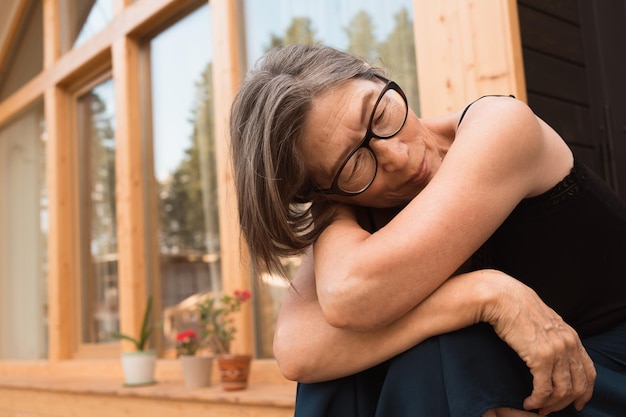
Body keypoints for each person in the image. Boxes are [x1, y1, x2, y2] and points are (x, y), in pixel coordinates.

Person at [229, 43, 626, 416]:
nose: (398, 157)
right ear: (325, 192)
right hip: (505, 378)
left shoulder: (501, 126)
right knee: (343, 371)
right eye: (353, 165)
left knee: (440, 347)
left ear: (378, 77)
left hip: (601, 368)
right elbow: (298, 350)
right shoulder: (352, 204)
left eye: (380, 114)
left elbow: (351, 294)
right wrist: (484, 295)